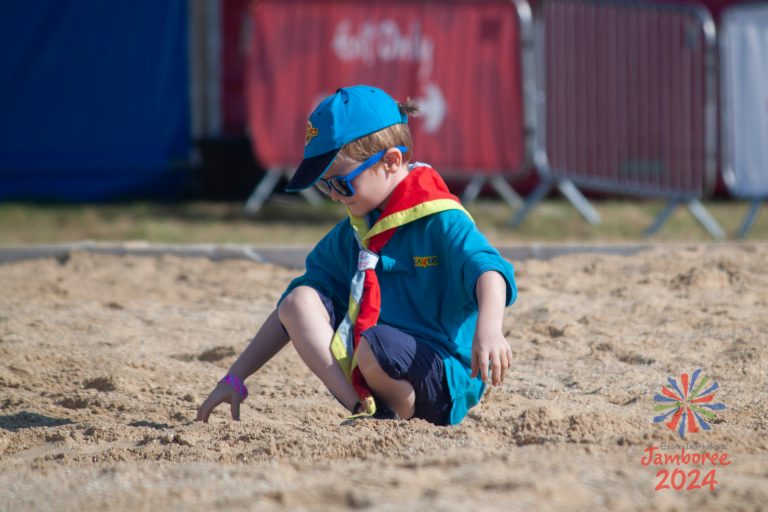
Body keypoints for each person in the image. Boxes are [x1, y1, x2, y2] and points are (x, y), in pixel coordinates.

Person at [197, 85, 517, 426]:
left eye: (342, 184)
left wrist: (490, 329)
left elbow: (489, 269)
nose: (334, 196)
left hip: (440, 373)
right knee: (298, 301)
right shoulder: (357, 230)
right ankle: (366, 412)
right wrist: (235, 377)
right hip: (376, 364)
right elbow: (287, 313)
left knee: (373, 346)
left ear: (392, 160)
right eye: (325, 186)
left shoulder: (439, 217)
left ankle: (402, 413)